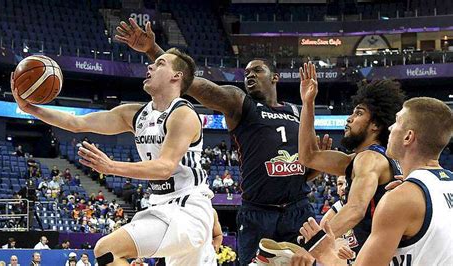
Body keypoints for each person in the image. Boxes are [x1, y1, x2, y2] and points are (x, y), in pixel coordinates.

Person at [116, 20, 331, 264]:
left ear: (275, 77)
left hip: (297, 208)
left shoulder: (296, 110)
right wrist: (154, 51)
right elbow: (195, 85)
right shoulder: (240, 104)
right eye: (247, 72)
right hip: (258, 211)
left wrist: (316, 165)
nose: (250, 75)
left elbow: (304, 172)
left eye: (257, 70)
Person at [11, 48, 215, 265]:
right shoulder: (136, 115)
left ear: (177, 76)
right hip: (163, 205)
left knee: (106, 250)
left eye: (160, 63)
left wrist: (110, 167)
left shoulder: (183, 114)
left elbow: (164, 167)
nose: (150, 66)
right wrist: (30, 108)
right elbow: (77, 123)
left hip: (188, 210)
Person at [256, 63, 405, 263]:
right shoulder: (360, 160)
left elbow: (355, 209)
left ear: (376, 125)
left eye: (358, 113)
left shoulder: (370, 159)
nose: (349, 119)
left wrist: (312, 245)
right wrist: (307, 103)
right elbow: (308, 157)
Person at [290, 97, 453, 266]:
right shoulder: (438, 185)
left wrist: (322, 251)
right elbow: (308, 157)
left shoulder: (402, 195)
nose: (390, 128)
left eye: (396, 122)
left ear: (408, 137)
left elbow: (355, 209)